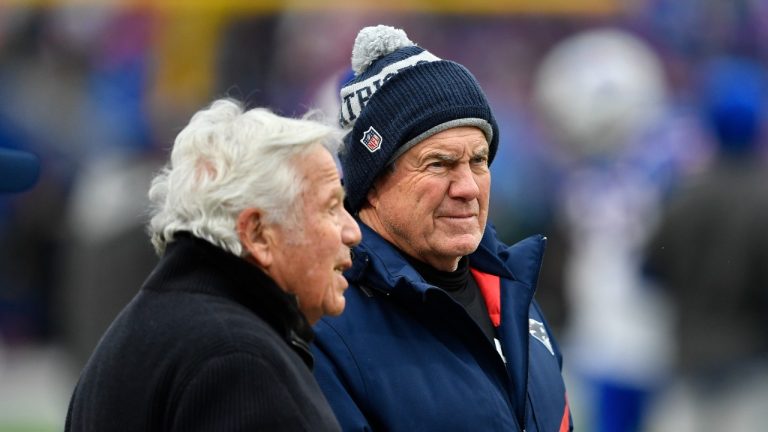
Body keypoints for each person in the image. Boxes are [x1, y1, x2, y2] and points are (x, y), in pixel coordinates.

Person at [312, 25, 572, 431]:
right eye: (439, 164)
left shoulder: (514, 295)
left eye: (479, 161)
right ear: (373, 184)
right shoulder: (325, 325)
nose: (468, 187)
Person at [65, 98, 361, 431]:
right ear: (258, 234)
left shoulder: (148, 334)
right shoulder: (238, 362)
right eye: (331, 207)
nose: (352, 232)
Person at [644, 57, 768, 432]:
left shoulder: (684, 193)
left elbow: (649, 270)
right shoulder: (763, 196)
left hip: (687, 367)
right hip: (751, 368)